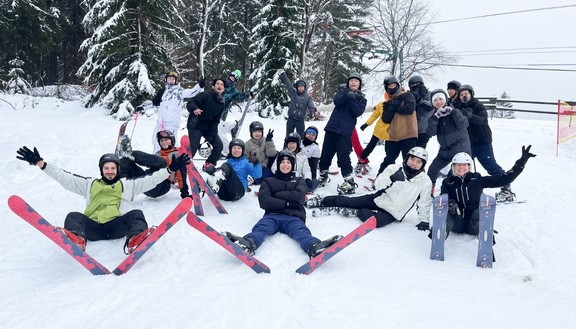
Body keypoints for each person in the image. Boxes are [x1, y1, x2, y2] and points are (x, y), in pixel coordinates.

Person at [15, 146, 190, 254]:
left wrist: (169, 170)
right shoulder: (88, 184)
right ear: (101, 170)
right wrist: (41, 164)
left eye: (113, 168)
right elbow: (64, 177)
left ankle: (135, 239)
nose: (110, 171)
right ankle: (76, 239)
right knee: (73, 216)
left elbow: (150, 180)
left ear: (118, 169)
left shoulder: (127, 185)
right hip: (92, 229)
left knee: (136, 214)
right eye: (106, 168)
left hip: (116, 227)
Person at [222, 150, 342, 258]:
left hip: (293, 217)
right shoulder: (268, 181)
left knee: (301, 232)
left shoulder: (299, 180)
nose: (285, 165)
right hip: (272, 215)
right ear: (278, 164)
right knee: (261, 229)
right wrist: (289, 203)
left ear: (292, 165)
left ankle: (315, 246)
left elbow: (299, 196)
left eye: (288, 162)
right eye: (283, 162)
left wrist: (276, 194)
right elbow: (264, 201)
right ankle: (247, 243)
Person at [306, 147, 432, 230]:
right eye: (412, 159)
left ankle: (357, 211)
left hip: (393, 212)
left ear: (423, 165)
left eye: (419, 161)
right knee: (349, 201)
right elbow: (377, 184)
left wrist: (424, 221)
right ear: (407, 158)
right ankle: (321, 201)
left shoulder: (425, 181)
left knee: (374, 222)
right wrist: (392, 178)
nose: (414, 163)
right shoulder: (394, 168)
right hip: (379, 199)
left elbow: (424, 202)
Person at [441, 147, 535, 238]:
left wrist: (520, 163)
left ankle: (484, 232)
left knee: (480, 211)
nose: (461, 167)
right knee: (449, 212)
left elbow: (503, 179)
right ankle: (442, 231)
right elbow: (442, 199)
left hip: (474, 225)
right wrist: (450, 203)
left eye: (464, 165)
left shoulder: (477, 180)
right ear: (453, 167)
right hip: (456, 224)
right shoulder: (448, 182)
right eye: (458, 165)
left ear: (469, 166)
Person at [453, 84, 514, 202]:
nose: (464, 96)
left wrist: (471, 116)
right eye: (461, 94)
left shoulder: (478, 105)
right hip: (467, 143)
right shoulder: (459, 108)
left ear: (471, 94)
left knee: (490, 166)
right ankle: (458, 189)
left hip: (481, 142)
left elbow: (483, 121)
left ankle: (506, 187)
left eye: (466, 93)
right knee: (461, 166)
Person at [318, 72, 367, 195]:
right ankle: (323, 176)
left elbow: (357, 112)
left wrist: (351, 99)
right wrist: (347, 95)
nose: (353, 82)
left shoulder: (362, 99)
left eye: (356, 81)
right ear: (348, 83)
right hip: (332, 128)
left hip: (345, 132)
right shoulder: (341, 92)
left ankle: (349, 182)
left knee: (343, 157)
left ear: (359, 84)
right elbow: (338, 102)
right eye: (351, 80)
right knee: (325, 155)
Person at [118, 130, 191, 199]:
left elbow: (182, 172)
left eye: (166, 140)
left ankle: (131, 153)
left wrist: (184, 192)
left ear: (172, 141)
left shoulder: (178, 153)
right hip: (147, 181)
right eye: (161, 140)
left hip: (161, 186)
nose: (163, 142)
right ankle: (117, 187)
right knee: (126, 161)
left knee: (164, 162)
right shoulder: (158, 154)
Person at [425, 89, 471, 188]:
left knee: (454, 175)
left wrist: (453, 112)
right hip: (445, 150)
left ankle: (456, 195)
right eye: (435, 100)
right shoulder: (435, 116)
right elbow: (430, 132)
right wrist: (435, 118)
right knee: (432, 170)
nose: (438, 102)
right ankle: (428, 192)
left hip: (460, 149)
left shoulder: (455, 111)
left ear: (445, 100)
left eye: (440, 99)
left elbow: (464, 124)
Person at [150, 71, 203, 153]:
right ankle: (157, 159)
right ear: (166, 79)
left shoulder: (179, 91)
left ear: (175, 80)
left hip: (172, 123)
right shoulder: (162, 92)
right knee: (156, 141)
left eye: (173, 79)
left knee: (169, 143)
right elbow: (154, 103)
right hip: (160, 123)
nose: (171, 80)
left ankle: (171, 160)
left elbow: (191, 92)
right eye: (169, 78)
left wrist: (199, 85)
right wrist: (142, 107)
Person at [378, 75, 417, 176]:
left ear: (398, 85)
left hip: (408, 134)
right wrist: (391, 107)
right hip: (394, 136)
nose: (392, 88)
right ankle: (381, 177)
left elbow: (409, 109)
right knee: (389, 159)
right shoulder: (388, 102)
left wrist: (396, 106)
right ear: (386, 88)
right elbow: (385, 120)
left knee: (410, 161)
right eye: (390, 86)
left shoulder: (407, 95)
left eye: (394, 85)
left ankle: (414, 180)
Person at [186, 78, 226, 171]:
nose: (219, 86)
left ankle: (209, 164)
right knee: (193, 147)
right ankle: (183, 166)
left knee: (218, 145)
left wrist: (211, 136)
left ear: (223, 89)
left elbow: (216, 120)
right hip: (196, 124)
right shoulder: (205, 95)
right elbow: (190, 102)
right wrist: (195, 109)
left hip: (208, 127)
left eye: (221, 85)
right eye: (217, 84)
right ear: (213, 86)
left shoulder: (221, 103)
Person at [218, 69, 252, 157]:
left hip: (221, 114)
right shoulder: (220, 84)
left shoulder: (233, 90)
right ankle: (232, 127)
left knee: (219, 130)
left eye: (234, 78)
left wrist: (247, 95)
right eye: (231, 77)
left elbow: (239, 95)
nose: (231, 79)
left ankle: (226, 151)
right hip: (212, 112)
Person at [356, 93, 390, 175]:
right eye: (387, 96)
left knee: (389, 152)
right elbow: (374, 115)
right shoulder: (381, 104)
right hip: (378, 130)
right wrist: (366, 124)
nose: (389, 97)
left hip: (390, 133)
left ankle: (388, 167)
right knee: (370, 147)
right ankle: (361, 161)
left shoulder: (398, 105)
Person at [277, 69, 317, 138]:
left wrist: (312, 113)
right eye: (299, 87)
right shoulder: (293, 93)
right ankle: (286, 147)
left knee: (301, 136)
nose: (301, 88)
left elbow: (311, 106)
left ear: (304, 88)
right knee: (288, 136)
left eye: (302, 87)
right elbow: (287, 83)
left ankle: (300, 148)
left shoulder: (308, 98)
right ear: (297, 87)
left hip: (300, 120)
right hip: (291, 118)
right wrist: (283, 74)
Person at [408, 75, 433, 149]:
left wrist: (419, 99)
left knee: (419, 151)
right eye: (413, 86)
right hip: (411, 129)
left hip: (424, 130)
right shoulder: (410, 95)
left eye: (418, 85)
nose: (416, 87)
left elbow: (430, 106)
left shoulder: (429, 94)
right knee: (409, 152)